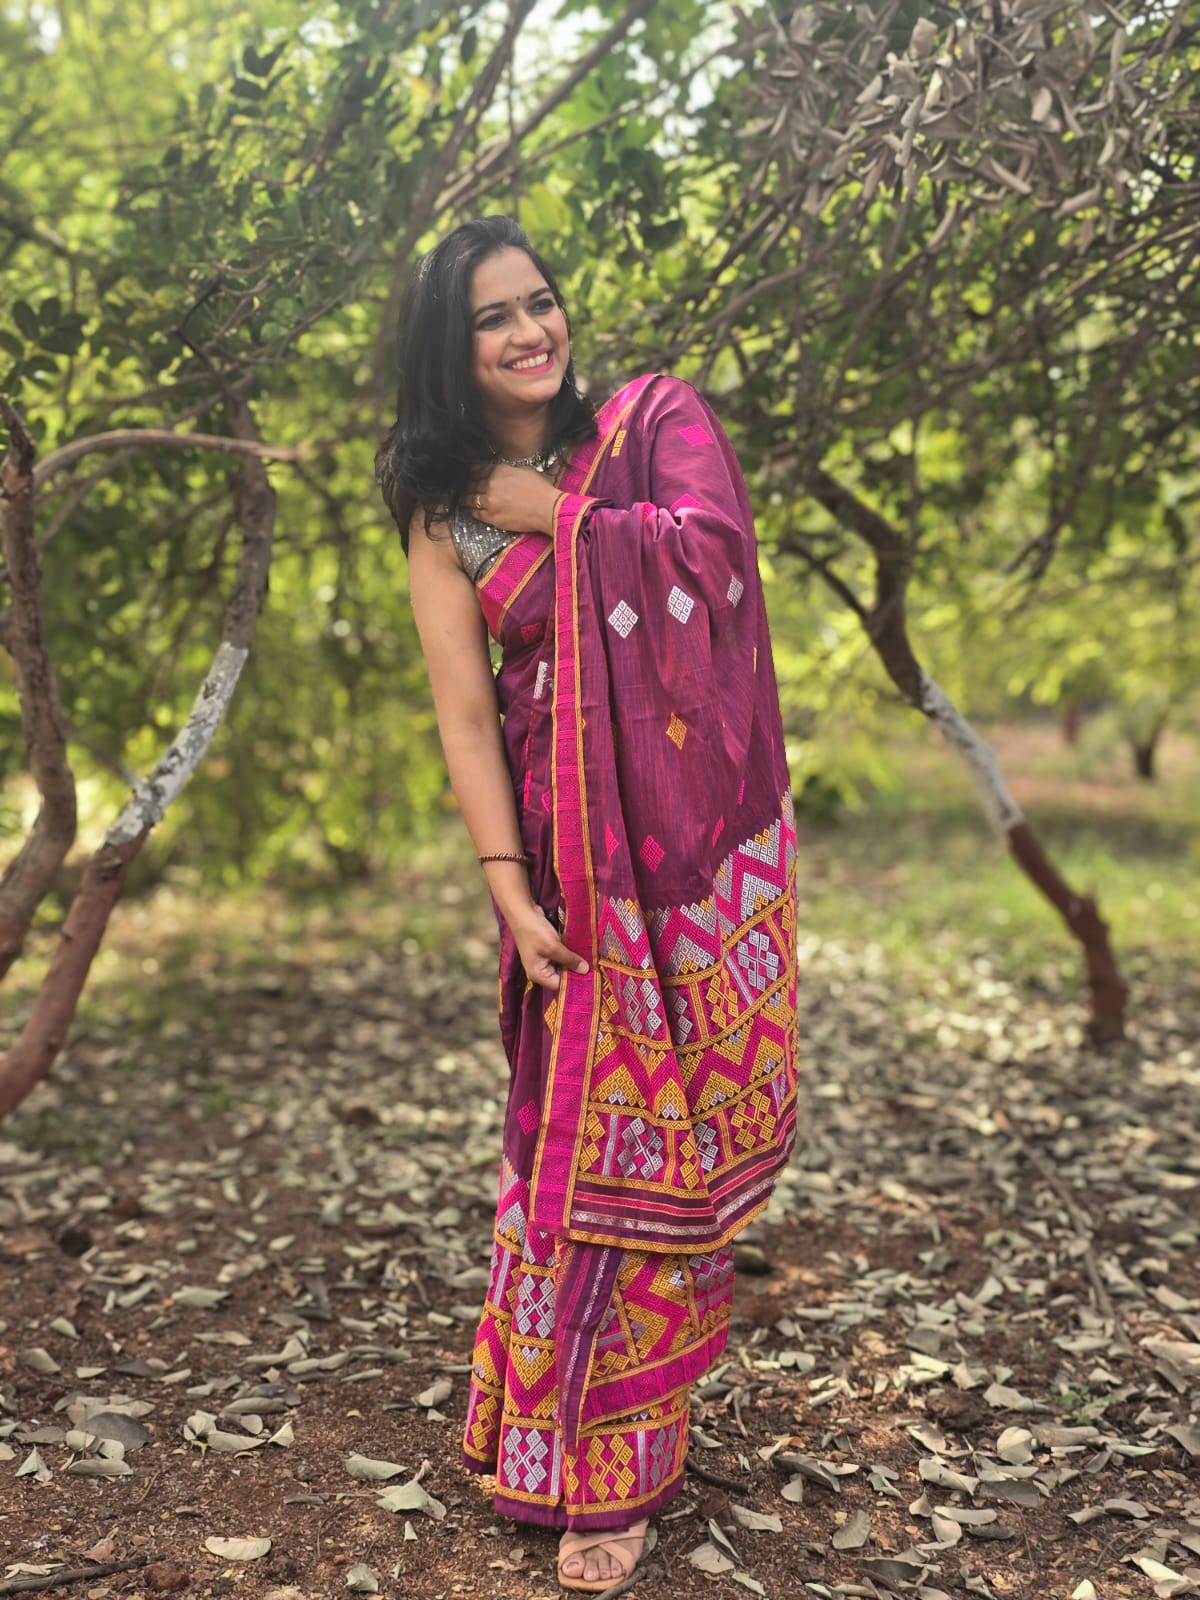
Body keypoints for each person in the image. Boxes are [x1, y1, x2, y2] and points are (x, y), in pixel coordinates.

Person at [377, 216, 799, 1593]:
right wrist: (508, 891)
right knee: (570, 1154)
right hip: (562, 867)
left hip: (680, 857)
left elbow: (716, 564)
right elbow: (463, 718)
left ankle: (621, 1471)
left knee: (660, 1155)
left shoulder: (650, 421)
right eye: (494, 318)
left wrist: (558, 518)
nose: (529, 333)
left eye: (541, 303)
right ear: (454, 353)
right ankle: (539, 1432)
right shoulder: (438, 511)